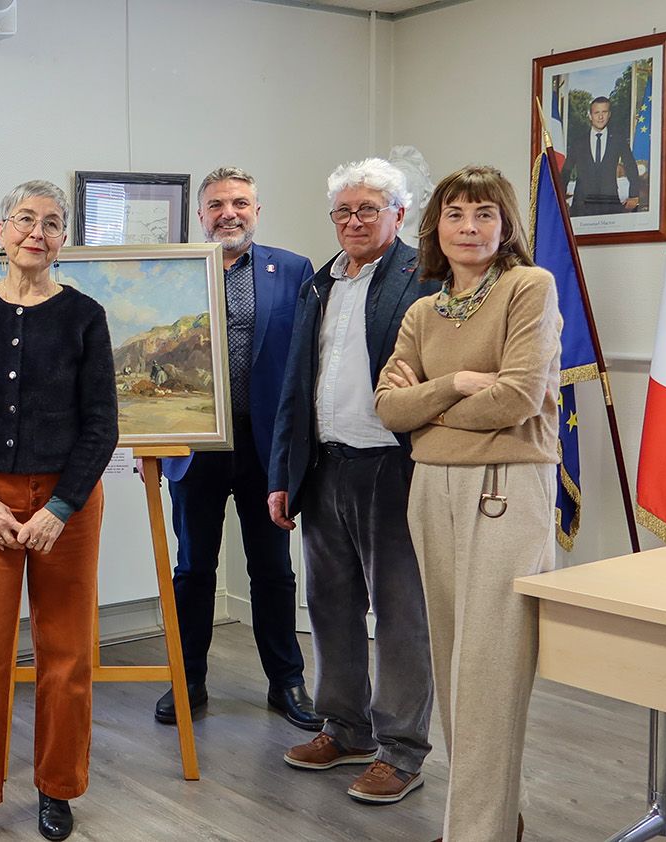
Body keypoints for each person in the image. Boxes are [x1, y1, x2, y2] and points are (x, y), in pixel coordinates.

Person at [374, 165, 561, 842]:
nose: (470, 227)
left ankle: (474, 832)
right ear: (436, 227)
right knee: (456, 663)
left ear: (506, 224)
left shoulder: (528, 288)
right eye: (456, 213)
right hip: (433, 493)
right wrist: (452, 381)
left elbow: (516, 398)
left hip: (507, 490)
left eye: (485, 214)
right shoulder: (424, 310)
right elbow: (388, 408)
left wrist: (431, 417)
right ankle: (488, 820)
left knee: (490, 667)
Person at [0, 180, 118, 842]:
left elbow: (102, 425)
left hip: (65, 507)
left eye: (51, 222)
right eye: (25, 220)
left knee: (65, 656)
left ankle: (57, 788)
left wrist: (59, 508)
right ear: (3, 230)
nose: (37, 232)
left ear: (62, 238)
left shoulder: (85, 316)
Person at [267, 158, 439, 805]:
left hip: (397, 470)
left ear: (398, 214)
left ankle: (402, 752)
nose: (354, 221)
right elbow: (296, 386)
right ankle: (346, 729)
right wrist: (285, 473)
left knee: (400, 616)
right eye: (343, 210)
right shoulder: (321, 282)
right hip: (325, 468)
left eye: (368, 209)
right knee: (330, 607)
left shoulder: (423, 277)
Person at [154, 167, 320, 731]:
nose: (230, 212)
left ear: (257, 208)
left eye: (241, 202)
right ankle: (188, 678)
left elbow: (307, 364)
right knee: (193, 567)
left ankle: (287, 681)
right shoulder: (176, 273)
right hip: (196, 445)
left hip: (265, 445)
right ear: (201, 214)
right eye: (218, 203)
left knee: (272, 568)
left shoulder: (292, 270)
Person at [562, 96, 644, 217]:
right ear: (590, 115)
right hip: (581, 207)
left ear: (609, 114)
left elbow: (630, 166)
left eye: (604, 112)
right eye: (596, 113)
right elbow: (566, 171)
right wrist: (560, 198)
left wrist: (634, 195)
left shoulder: (618, 139)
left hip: (610, 205)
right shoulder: (578, 142)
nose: (600, 117)